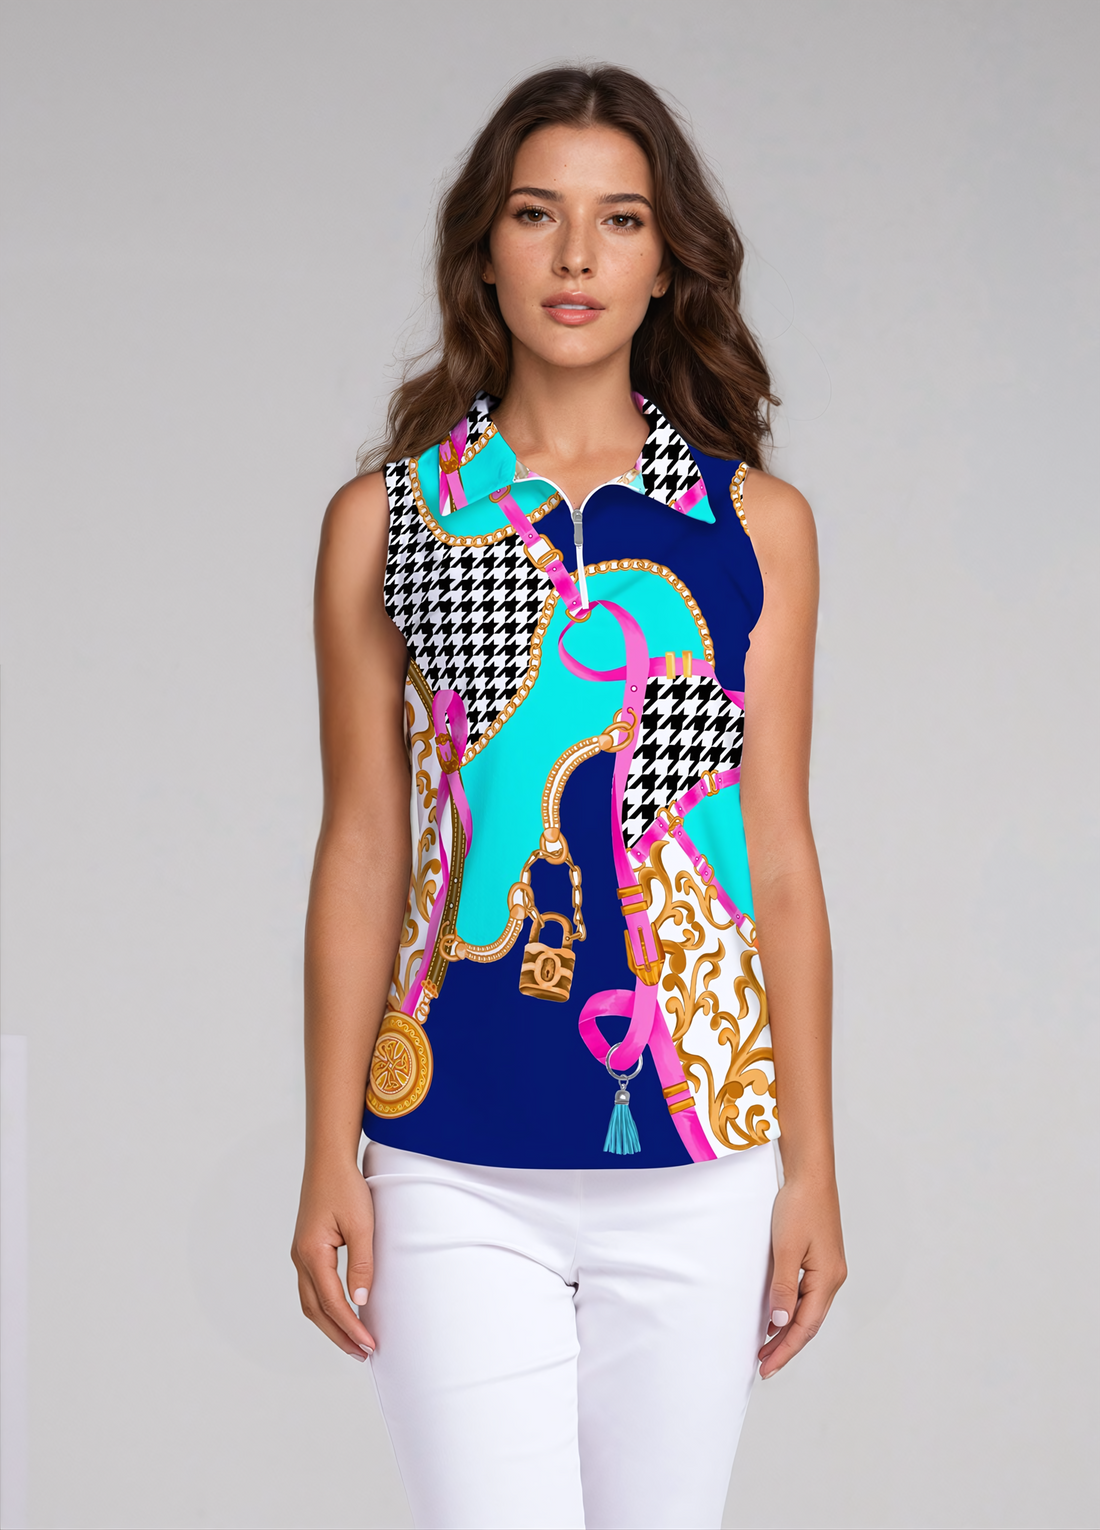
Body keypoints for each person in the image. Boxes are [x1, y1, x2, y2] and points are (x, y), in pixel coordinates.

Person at [292, 63, 846, 1530]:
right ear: (485, 246)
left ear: (669, 262)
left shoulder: (754, 526)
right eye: (538, 214)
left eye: (622, 219)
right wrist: (326, 1152)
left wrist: (811, 1168)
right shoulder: (391, 520)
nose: (578, 256)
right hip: (447, 1145)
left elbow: (778, 857)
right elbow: (364, 849)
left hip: (703, 1145)